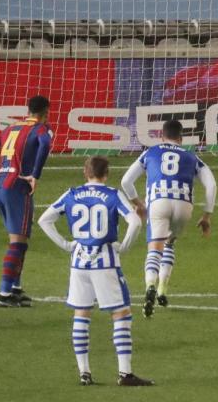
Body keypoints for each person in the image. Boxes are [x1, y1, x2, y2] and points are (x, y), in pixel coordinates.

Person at [37, 156, 154, 387]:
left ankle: (84, 372)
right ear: (107, 173)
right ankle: (125, 374)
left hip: (79, 264)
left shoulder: (71, 194)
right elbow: (136, 222)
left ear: (85, 172)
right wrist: (124, 246)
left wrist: (67, 245)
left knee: (81, 314)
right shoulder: (112, 194)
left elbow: (44, 220)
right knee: (121, 314)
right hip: (106, 263)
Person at [121, 119, 216, 318]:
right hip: (183, 205)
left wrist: (138, 203)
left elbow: (126, 181)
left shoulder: (150, 152)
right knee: (170, 243)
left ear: (161, 136)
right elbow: (212, 185)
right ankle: (163, 289)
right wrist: (207, 214)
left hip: (158, 201)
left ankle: (150, 286)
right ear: (181, 138)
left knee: (155, 248)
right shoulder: (192, 156)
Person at [0, 95, 53, 307]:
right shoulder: (40, 129)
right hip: (17, 187)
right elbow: (44, 144)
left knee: (21, 240)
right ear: (46, 112)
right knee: (17, 242)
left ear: (28, 110)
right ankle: (4, 294)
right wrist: (35, 174)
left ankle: (15, 288)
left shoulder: (10, 128)